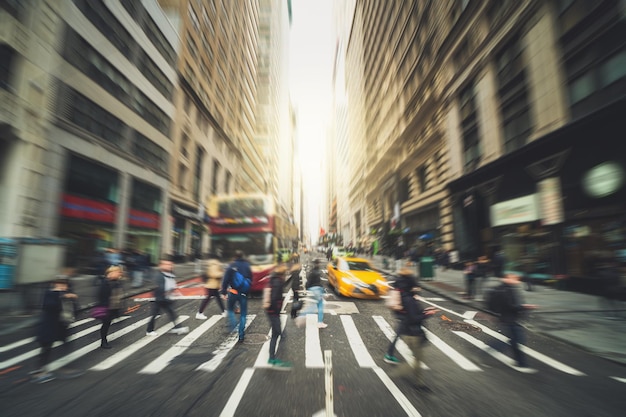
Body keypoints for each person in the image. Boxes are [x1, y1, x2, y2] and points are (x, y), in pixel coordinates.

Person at [388, 268, 438, 390]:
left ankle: (419, 383)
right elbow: (414, 318)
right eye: (415, 286)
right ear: (411, 285)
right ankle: (396, 375)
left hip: (408, 331)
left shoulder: (405, 295)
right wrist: (428, 314)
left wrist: (425, 311)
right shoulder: (409, 299)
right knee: (417, 360)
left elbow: (413, 313)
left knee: (417, 359)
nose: (417, 288)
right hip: (412, 333)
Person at [32, 277, 79, 383]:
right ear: (55, 285)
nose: (62, 287)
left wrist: (73, 302)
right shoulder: (50, 294)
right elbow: (48, 306)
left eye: (64, 285)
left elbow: (75, 309)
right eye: (59, 284)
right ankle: (40, 372)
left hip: (62, 326)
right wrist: (62, 296)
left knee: (66, 345)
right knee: (46, 348)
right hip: (49, 326)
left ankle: (63, 367)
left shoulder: (69, 295)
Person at [497, 272, 537, 368]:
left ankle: (521, 362)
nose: (517, 280)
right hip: (509, 318)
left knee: (517, 340)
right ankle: (521, 362)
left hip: (513, 318)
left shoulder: (511, 288)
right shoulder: (505, 290)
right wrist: (524, 307)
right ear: (506, 279)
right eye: (514, 278)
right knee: (518, 340)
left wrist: (523, 307)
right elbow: (510, 305)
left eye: (517, 279)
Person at [384, 267, 420, 365]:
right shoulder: (411, 279)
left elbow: (394, 288)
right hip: (407, 311)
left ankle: (412, 351)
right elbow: (416, 288)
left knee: (408, 332)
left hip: (399, 310)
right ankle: (389, 355)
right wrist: (414, 292)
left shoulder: (398, 279)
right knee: (410, 331)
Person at [146, 259, 189, 336]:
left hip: (165, 298)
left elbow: (171, 285)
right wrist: (166, 295)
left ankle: (177, 327)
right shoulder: (159, 276)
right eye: (166, 264)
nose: (169, 266)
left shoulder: (170, 274)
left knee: (171, 313)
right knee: (156, 314)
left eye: (170, 264)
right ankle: (149, 330)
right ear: (161, 266)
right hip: (160, 299)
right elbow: (160, 288)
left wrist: (174, 291)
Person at [221, 250, 252, 343]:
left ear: (235, 256)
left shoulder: (231, 265)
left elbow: (225, 279)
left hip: (233, 292)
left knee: (230, 310)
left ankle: (233, 324)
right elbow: (251, 278)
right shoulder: (247, 265)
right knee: (243, 314)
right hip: (243, 293)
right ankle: (241, 335)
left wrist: (223, 292)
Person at [265, 265, 291, 369]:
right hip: (273, 311)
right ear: (283, 274)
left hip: (272, 311)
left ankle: (272, 356)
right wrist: (276, 311)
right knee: (275, 334)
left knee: (277, 332)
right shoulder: (278, 282)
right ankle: (271, 358)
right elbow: (275, 297)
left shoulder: (274, 279)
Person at [96, 265, 125, 349]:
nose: (119, 274)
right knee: (105, 325)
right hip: (106, 308)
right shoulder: (105, 282)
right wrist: (106, 308)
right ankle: (103, 341)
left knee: (107, 324)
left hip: (113, 307)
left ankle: (104, 341)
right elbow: (102, 296)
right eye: (118, 272)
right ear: (111, 273)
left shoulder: (116, 281)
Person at [302, 258, 327, 328]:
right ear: (318, 264)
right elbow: (318, 282)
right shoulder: (317, 272)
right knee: (320, 306)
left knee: (313, 305)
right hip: (317, 290)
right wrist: (323, 291)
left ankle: (302, 315)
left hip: (312, 289)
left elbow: (308, 281)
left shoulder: (312, 271)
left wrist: (307, 288)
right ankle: (320, 322)